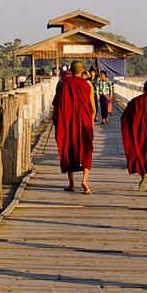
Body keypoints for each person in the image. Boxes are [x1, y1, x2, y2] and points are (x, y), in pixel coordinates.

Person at [52, 60, 95, 194]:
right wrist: (91, 123)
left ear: (70, 70)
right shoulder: (88, 85)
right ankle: (85, 180)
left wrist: (56, 121)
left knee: (68, 148)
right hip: (84, 121)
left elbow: (57, 104)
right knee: (87, 149)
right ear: (83, 71)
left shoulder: (63, 84)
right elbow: (93, 108)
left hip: (67, 122)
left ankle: (71, 183)